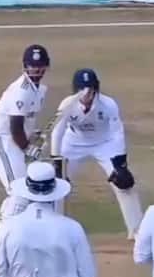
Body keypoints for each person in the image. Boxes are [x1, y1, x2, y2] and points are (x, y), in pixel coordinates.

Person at [50, 68, 143, 239]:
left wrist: (120, 164)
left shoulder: (108, 104)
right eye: (83, 89)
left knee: (123, 183)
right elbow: (57, 132)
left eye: (90, 89)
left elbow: (117, 132)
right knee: (57, 184)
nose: (87, 93)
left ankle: (137, 231)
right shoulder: (67, 105)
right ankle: (54, 228)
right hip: (73, 143)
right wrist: (57, 161)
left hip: (104, 143)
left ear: (96, 89)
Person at [0, 44, 50, 222]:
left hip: (16, 142)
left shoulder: (40, 91)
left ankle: (20, 226)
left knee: (30, 189)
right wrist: (28, 148)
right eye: (32, 66)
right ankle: (6, 231)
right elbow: (15, 127)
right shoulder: (21, 91)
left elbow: (25, 123)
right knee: (19, 190)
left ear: (46, 66)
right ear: (25, 66)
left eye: (40, 66)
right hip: (2, 141)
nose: (36, 70)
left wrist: (33, 136)